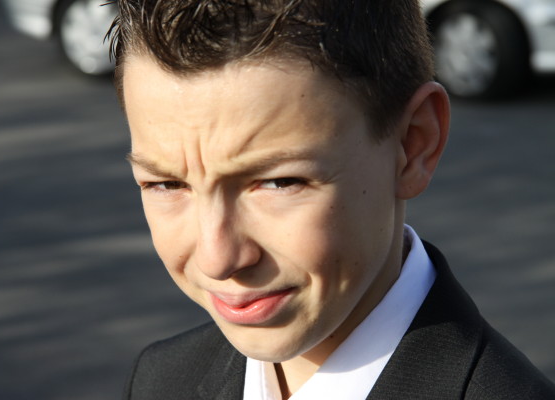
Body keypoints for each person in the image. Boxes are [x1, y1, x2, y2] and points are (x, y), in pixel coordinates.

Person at [107, 0, 555, 399]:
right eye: (166, 185)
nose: (217, 258)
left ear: (414, 145)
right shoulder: (160, 378)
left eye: (279, 182)